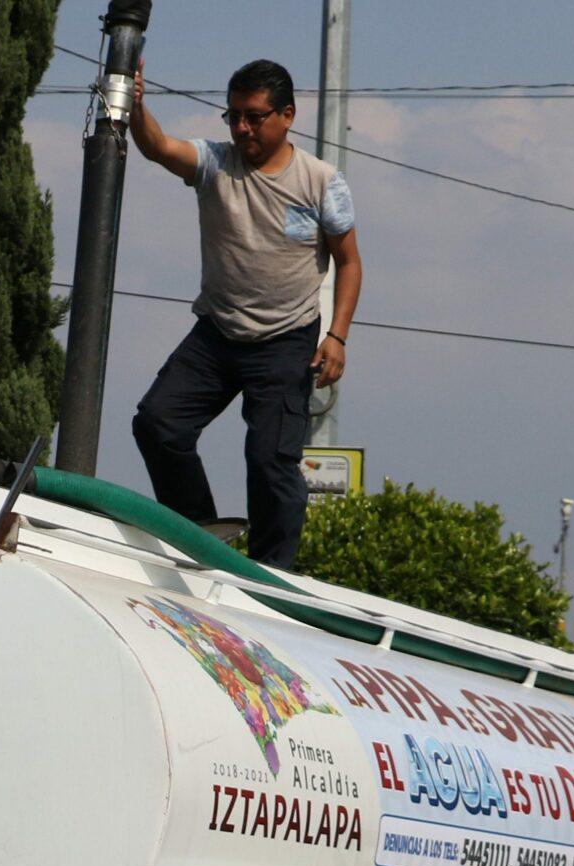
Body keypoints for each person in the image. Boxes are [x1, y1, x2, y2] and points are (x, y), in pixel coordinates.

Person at [127, 57, 362, 570]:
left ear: (287, 116)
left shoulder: (321, 182)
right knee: (157, 423)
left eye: (254, 116)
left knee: (270, 461)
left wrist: (337, 336)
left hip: (286, 341)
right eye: (233, 116)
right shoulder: (215, 163)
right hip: (217, 332)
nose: (241, 127)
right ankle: (200, 533)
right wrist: (137, 106)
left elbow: (349, 262)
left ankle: (272, 577)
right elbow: (158, 147)